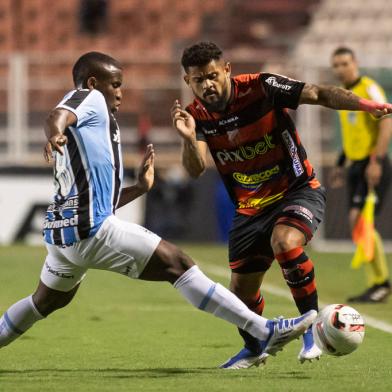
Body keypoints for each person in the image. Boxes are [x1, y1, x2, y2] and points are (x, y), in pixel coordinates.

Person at [0, 52, 316, 363]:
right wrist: (54, 133)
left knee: (45, 301)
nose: (120, 93)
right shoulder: (89, 97)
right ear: (95, 83)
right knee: (177, 264)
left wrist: (140, 188)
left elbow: (101, 200)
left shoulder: (90, 129)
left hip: (62, 238)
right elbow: (57, 114)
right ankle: (264, 330)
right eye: (115, 84)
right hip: (92, 231)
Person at [171, 42, 392, 369]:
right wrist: (189, 140)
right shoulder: (195, 116)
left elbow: (318, 94)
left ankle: (311, 331)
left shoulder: (261, 87)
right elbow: (194, 169)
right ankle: (255, 348)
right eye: (198, 79)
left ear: (227, 69)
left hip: (297, 190)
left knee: (285, 242)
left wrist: (364, 105)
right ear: (188, 81)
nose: (207, 85)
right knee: (239, 294)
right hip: (249, 208)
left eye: (213, 76)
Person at [330, 47, 392, 303]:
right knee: (359, 224)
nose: (340, 68)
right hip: (356, 166)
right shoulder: (344, 97)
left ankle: (381, 283)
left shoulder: (370, 88)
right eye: (336, 65)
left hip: (372, 164)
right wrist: (340, 164)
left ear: (355, 63)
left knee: (361, 221)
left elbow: (387, 120)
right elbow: (352, 135)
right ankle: (377, 283)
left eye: (345, 63)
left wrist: (376, 162)